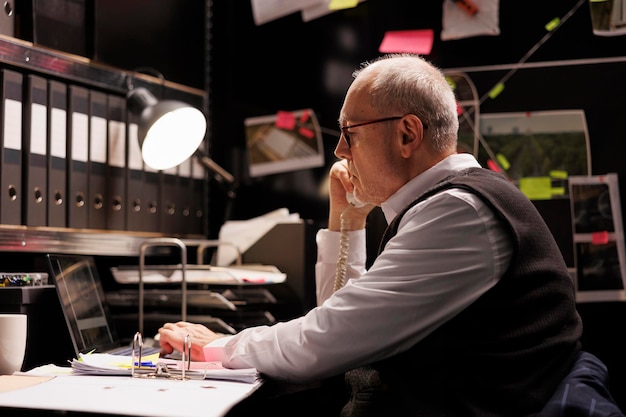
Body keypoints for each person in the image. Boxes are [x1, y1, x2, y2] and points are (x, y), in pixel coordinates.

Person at [158, 54, 586, 415]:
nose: (340, 151)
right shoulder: (444, 205)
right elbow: (349, 331)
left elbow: (330, 342)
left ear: (406, 134)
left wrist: (218, 347)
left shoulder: (457, 211)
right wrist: (346, 219)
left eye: (349, 133)